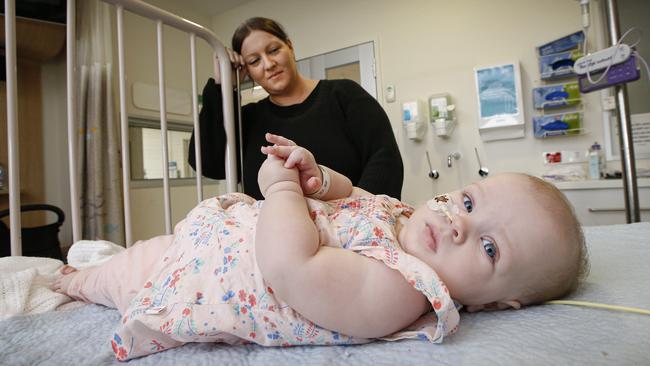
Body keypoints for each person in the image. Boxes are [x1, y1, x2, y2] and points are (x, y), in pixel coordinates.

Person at [56, 134, 588, 361]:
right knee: (137, 252)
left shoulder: (402, 290)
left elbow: (292, 267)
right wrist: (317, 177)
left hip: (202, 279)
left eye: (490, 248)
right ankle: (87, 267)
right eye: (468, 203)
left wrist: (283, 191)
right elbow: (355, 195)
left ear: (496, 303)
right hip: (208, 241)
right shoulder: (404, 217)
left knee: (120, 278)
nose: (456, 225)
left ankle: (69, 282)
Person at [188, 17, 403, 199]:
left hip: (351, 233)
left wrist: (361, 217)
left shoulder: (343, 95)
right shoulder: (248, 119)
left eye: (273, 50)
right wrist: (222, 86)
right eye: (254, 61)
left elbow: (385, 158)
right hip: (279, 241)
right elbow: (209, 164)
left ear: (289, 46)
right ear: (247, 71)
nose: (268, 64)